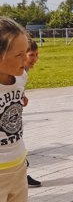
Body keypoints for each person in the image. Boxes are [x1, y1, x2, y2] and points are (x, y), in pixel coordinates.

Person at [0, 16, 29, 202]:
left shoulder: (21, 77)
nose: (26, 60)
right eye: (19, 55)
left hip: (18, 164)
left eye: (25, 52)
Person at [23, 37, 42, 188]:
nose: (35, 59)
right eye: (32, 55)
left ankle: (22, 172)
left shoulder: (24, 69)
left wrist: (21, 96)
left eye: (37, 55)